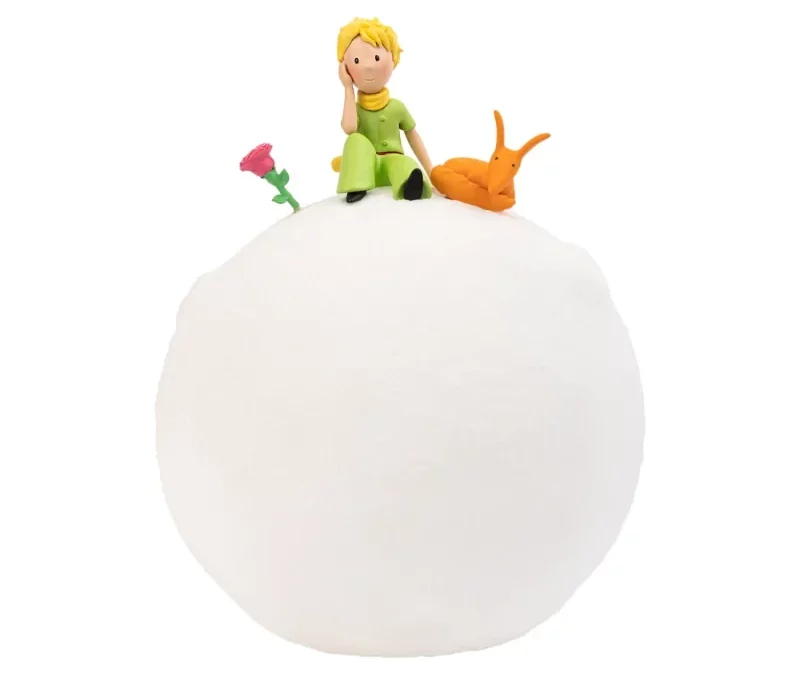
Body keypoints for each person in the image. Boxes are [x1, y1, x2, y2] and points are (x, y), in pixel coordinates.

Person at [334, 17, 434, 203]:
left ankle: (410, 185)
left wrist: (432, 172)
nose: (368, 66)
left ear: (393, 60)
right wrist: (347, 87)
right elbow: (349, 128)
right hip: (366, 166)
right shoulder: (355, 109)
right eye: (357, 60)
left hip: (393, 162)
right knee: (355, 140)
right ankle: (356, 185)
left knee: (406, 165)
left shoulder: (396, 107)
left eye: (377, 58)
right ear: (345, 68)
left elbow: (413, 137)